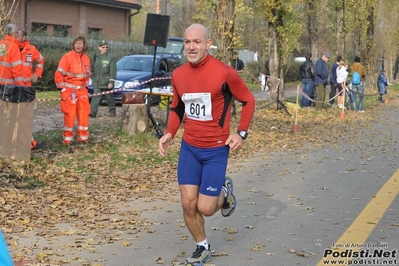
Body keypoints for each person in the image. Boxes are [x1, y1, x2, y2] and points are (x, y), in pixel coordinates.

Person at [158, 24, 255, 266]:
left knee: (207, 208)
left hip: (215, 150)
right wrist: (170, 132)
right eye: (187, 42)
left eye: (197, 42)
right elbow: (178, 108)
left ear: (208, 43)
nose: (191, 47)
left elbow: (248, 99)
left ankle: (224, 193)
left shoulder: (224, 73)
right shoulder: (179, 74)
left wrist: (241, 133)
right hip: (190, 147)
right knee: (188, 203)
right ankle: (202, 247)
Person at [54, 36, 91, 145]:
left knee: (84, 114)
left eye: (80, 43)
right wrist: (63, 88)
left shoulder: (86, 59)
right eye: (76, 43)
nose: (78, 45)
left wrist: (86, 86)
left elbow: (87, 75)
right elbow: (58, 74)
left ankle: (83, 137)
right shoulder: (67, 57)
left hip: (82, 91)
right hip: (70, 91)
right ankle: (67, 139)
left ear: (84, 45)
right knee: (69, 115)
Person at [17, 29, 46, 150]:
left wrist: (37, 74)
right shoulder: (10, 48)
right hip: (12, 86)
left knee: (25, 117)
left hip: (26, 87)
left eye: (17, 35)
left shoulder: (31, 49)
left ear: (24, 37)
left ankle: (29, 142)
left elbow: (40, 60)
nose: (15, 37)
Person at [90, 40, 117, 118]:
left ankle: (112, 111)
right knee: (95, 97)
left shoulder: (110, 57)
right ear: (99, 48)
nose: (105, 48)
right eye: (103, 47)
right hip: (97, 81)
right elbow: (92, 67)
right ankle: (92, 112)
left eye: (106, 47)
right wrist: (91, 77)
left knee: (109, 97)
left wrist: (111, 82)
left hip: (106, 81)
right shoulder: (95, 56)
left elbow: (113, 70)